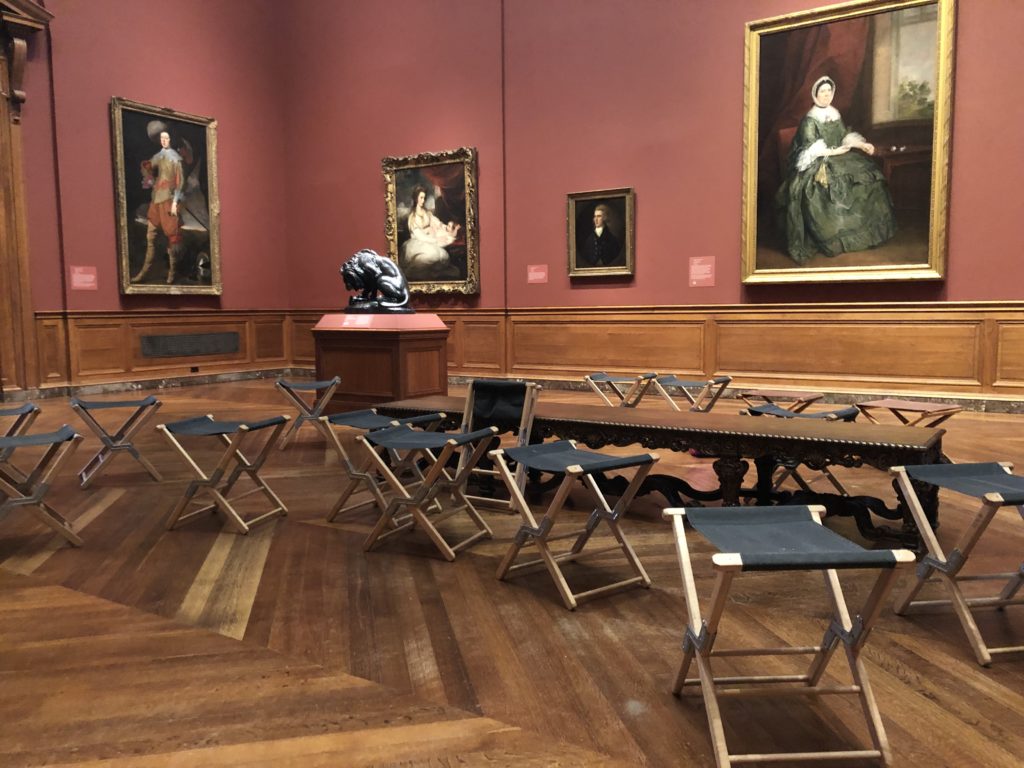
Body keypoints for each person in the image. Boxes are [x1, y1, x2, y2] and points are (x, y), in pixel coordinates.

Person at [775, 76, 896, 264]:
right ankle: (835, 240)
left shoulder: (834, 113)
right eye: (822, 92)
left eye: (829, 91)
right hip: (817, 160)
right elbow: (809, 148)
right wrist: (833, 151)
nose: (826, 95)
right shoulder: (810, 119)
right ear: (815, 94)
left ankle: (867, 234)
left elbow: (843, 136)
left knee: (870, 176)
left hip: (840, 155)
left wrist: (861, 145)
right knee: (830, 186)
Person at [132, 123, 186, 283]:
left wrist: (176, 202)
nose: (163, 141)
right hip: (156, 200)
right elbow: (149, 170)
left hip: (169, 201)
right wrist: (148, 174)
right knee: (151, 238)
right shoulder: (157, 156)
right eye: (161, 138)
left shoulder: (176, 159)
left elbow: (180, 182)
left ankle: (172, 274)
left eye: (166, 138)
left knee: (172, 240)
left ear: (170, 139)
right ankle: (144, 272)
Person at [400, 185, 461, 280]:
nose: (423, 200)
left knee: (443, 257)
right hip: (419, 242)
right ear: (416, 198)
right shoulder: (412, 217)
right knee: (432, 256)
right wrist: (434, 239)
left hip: (430, 239)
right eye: (421, 198)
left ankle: (435, 274)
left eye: (424, 198)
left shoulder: (426, 212)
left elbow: (436, 222)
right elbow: (419, 236)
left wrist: (444, 227)